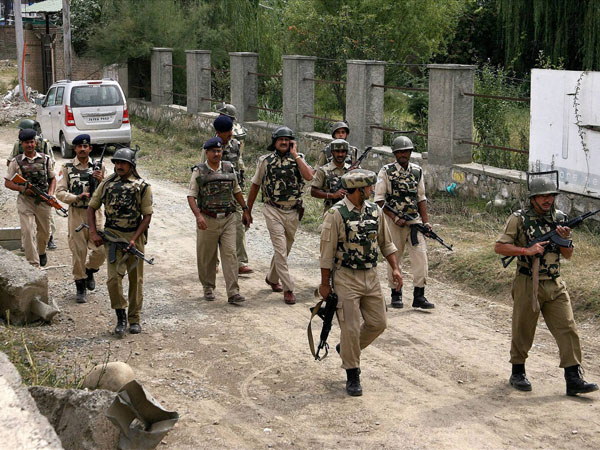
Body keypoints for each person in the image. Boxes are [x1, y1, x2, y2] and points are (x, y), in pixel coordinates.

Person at [494, 172, 598, 396]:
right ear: (533, 198)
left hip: (554, 282)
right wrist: (526, 250)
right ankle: (518, 372)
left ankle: (573, 378)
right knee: (523, 329)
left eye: (550, 195)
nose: (547, 200)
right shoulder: (518, 219)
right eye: (542, 196)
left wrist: (565, 239)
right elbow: (500, 247)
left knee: (568, 328)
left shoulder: (560, 218)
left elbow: (568, 255)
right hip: (527, 282)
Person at [319, 169, 402, 396]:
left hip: (371, 276)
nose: (371, 190)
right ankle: (353, 374)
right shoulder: (336, 214)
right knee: (351, 328)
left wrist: (395, 268)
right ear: (357, 190)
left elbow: (386, 244)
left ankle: (347, 349)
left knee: (378, 323)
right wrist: (325, 284)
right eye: (368, 187)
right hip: (346, 278)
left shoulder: (375, 211)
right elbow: (326, 254)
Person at [87, 147, 153, 336]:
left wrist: (134, 239)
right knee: (113, 280)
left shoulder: (143, 186)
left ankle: (134, 319)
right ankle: (120, 316)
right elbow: (91, 208)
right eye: (116, 162)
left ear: (131, 165)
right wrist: (93, 232)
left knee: (136, 280)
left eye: (123, 163)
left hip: (135, 236)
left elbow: (147, 216)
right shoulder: (106, 184)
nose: (119, 166)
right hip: (113, 237)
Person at [246, 126, 314, 305]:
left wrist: (295, 155)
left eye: (287, 140)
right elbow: (255, 185)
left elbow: (309, 177)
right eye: (280, 140)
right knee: (280, 249)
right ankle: (288, 288)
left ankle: (271, 277)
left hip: (293, 211)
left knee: (286, 249)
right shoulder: (265, 161)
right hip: (273, 210)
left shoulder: (299, 159)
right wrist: (248, 210)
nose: (283, 142)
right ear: (274, 142)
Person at [187, 137, 251, 304]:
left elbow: (236, 190)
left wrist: (245, 209)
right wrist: (198, 216)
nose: (216, 154)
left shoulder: (229, 168)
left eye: (219, 151)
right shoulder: (199, 171)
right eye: (213, 151)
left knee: (230, 255)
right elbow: (191, 196)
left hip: (228, 218)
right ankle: (208, 287)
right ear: (207, 153)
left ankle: (233, 292)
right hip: (208, 219)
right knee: (207, 256)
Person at [374, 135, 434, 309]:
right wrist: (395, 218)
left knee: (421, 258)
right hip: (394, 223)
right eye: (400, 152)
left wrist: (426, 222)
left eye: (406, 151)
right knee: (394, 257)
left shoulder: (417, 171)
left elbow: (421, 197)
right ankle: (396, 293)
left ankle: (419, 295)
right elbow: (379, 200)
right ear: (395, 153)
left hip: (414, 222)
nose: (403, 154)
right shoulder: (386, 171)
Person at [199, 114, 253, 274]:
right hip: (213, 194)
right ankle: (213, 262)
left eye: (230, 130)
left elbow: (240, 164)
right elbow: (202, 169)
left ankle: (240, 262)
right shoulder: (209, 147)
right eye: (227, 131)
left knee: (238, 226)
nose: (230, 134)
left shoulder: (236, 144)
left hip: (234, 192)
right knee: (213, 228)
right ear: (218, 132)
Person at [55, 134, 106, 303]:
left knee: (101, 249)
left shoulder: (100, 166)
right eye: (79, 146)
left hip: (95, 214)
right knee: (78, 252)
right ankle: (80, 286)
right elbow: (59, 192)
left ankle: (90, 270)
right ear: (75, 148)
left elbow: (110, 190)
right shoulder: (67, 167)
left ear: (90, 148)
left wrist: (102, 180)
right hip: (76, 214)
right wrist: (76, 197)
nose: (83, 149)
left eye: (86, 146)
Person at [4, 128, 56, 267]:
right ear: (21, 144)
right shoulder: (16, 161)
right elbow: (7, 182)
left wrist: (50, 194)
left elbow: (52, 178)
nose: (30, 145)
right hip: (25, 201)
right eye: (26, 142)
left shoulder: (46, 159)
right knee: (27, 231)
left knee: (45, 232)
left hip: (43, 201)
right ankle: (33, 265)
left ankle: (41, 251)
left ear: (36, 143)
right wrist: (22, 189)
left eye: (32, 142)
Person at [310, 139, 351, 215]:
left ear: (346, 153)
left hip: (349, 212)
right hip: (331, 212)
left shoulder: (351, 170)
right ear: (332, 152)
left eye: (343, 151)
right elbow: (313, 192)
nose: (340, 154)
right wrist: (332, 195)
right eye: (337, 151)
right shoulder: (323, 170)